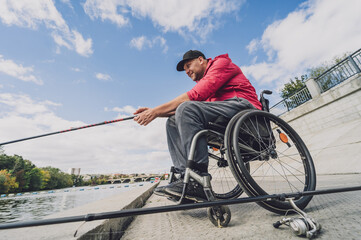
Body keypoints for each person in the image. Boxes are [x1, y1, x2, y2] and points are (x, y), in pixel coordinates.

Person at [134, 50, 262, 202]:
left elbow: (194, 97)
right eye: (185, 70)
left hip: (242, 107)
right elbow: (183, 111)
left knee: (187, 107)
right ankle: (185, 179)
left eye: (188, 66)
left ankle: (198, 178)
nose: (187, 71)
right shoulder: (207, 88)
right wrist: (153, 113)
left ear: (201, 60)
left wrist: (155, 111)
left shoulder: (221, 64)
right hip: (224, 116)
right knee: (173, 121)